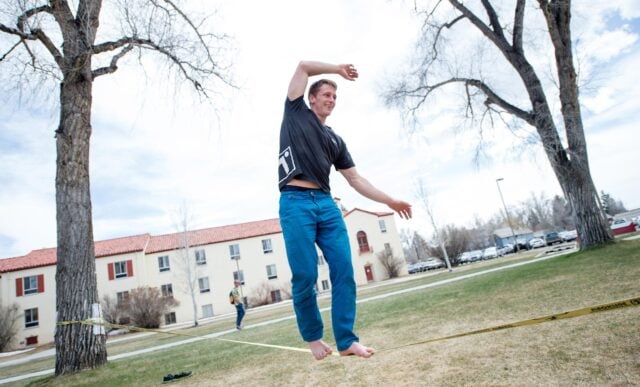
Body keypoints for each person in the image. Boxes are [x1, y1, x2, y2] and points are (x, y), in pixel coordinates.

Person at [277, 60, 412, 360]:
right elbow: (302, 67)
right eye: (326, 94)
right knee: (305, 273)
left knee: (343, 271)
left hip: (326, 205)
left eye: (335, 97)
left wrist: (390, 201)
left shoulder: (335, 140)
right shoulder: (295, 113)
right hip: (294, 202)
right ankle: (313, 337)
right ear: (311, 98)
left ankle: (346, 340)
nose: (331, 100)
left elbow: (355, 179)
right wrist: (337, 69)